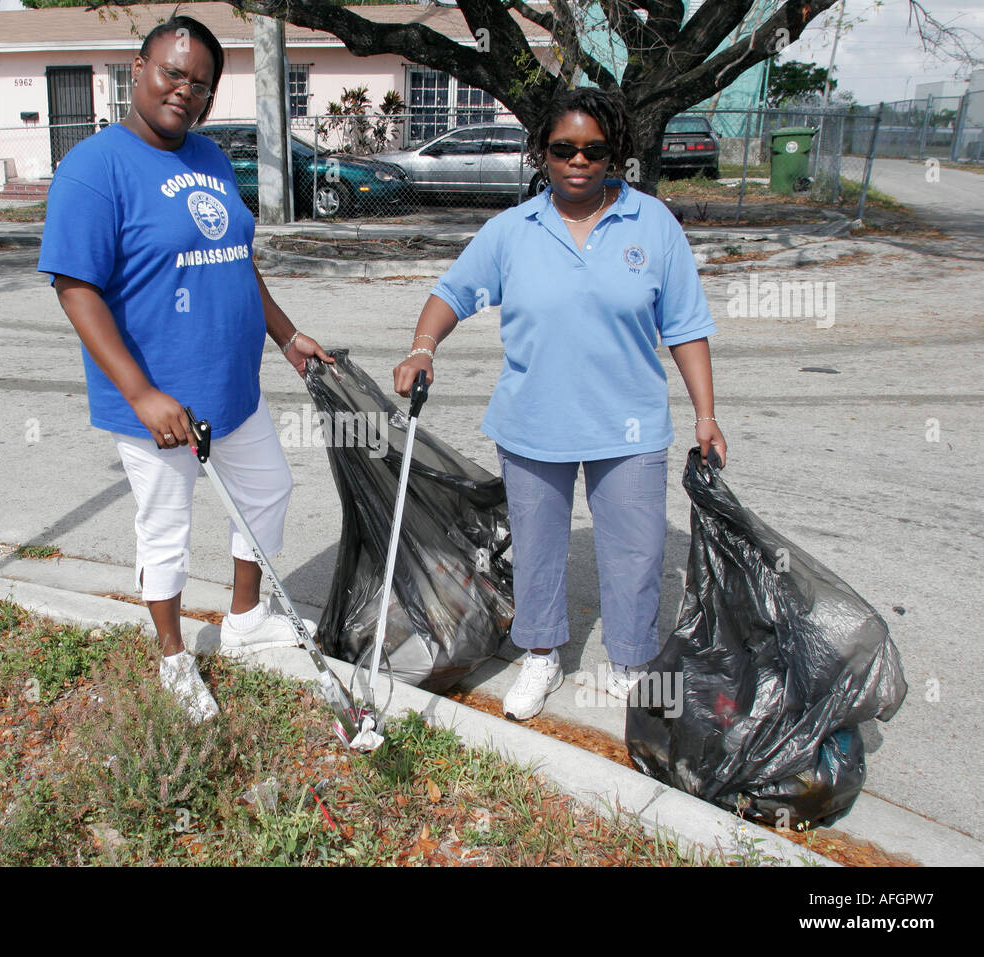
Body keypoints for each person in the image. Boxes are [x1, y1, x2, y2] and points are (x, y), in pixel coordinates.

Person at [392, 88, 728, 722]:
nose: (579, 161)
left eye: (593, 150)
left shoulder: (652, 223)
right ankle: (540, 656)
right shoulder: (513, 231)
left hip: (628, 429)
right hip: (533, 424)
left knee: (636, 552)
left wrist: (706, 417)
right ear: (541, 152)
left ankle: (630, 663)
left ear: (614, 154)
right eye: (563, 149)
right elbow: (452, 293)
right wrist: (422, 348)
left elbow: (685, 326)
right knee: (540, 550)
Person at [37, 15, 332, 723]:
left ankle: (244, 617)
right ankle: (174, 657)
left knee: (267, 489)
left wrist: (287, 337)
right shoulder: (94, 166)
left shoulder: (208, 156)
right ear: (136, 70)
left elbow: (236, 258)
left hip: (233, 386)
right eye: (172, 73)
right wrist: (139, 393)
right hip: (160, 399)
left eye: (200, 83)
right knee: (165, 528)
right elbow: (74, 286)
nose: (185, 92)